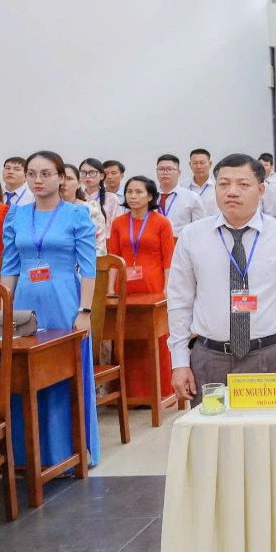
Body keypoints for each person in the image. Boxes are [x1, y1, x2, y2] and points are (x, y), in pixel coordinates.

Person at [168, 154, 276, 399]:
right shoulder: (192, 236)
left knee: (269, 426)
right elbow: (179, 301)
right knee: (209, 426)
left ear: (261, 190)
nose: (232, 192)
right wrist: (179, 362)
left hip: (269, 357)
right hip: (209, 358)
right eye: (224, 184)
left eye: (243, 184)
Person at [0, 150, 99, 468]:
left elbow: (89, 268)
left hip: (64, 301)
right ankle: (26, 454)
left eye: (45, 174)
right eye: (32, 174)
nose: (38, 180)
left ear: (60, 177)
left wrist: (85, 311)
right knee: (23, 374)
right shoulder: (16, 214)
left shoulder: (77, 214)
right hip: (25, 301)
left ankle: (67, 451)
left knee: (63, 374)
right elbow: (9, 266)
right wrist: (3, 308)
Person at [107, 175, 176, 408]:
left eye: (138, 192)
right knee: (127, 339)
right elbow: (114, 257)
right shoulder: (118, 223)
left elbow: (168, 258)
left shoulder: (161, 222)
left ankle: (160, 391)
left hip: (153, 286)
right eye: (129, 192)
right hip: (125, 287)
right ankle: (130, 395)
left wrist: (167, 289)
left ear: (150, 196)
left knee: (156, 340)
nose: (133, 196)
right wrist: (110, 288)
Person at [155, 154, 208, 237]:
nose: (165, 172)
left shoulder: (191, 197)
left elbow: (199, 228)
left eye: (170, 169)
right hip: (152, 242)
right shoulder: (148, 197)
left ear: (179, 173)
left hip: (179, 242)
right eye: (161, 169)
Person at [79, 158, 124, 239]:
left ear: (102, 176)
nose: (87, 176)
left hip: (105, 243)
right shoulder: (77, 198)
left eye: (92, 173)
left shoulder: (111, 198)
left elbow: (118, 227)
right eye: (83, 173)